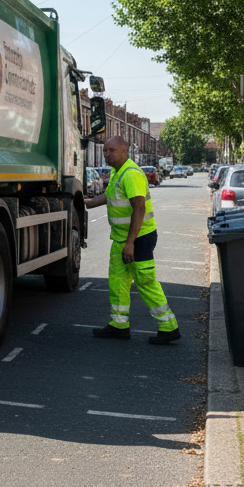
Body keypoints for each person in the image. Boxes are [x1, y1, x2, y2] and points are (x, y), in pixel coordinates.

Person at [82, 136, 180, 345]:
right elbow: (111, 197)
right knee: (118, 281)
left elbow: (139, 207)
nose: (107, 154)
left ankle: (168, 327)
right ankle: (119, 325)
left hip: (138, 238)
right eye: (105, 150)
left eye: (111, 150)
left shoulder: (131, 173)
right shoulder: (118, 172)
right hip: (121, 239)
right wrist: (88, 203)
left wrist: (130, 244)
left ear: (124, 151)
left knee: (145, 282)